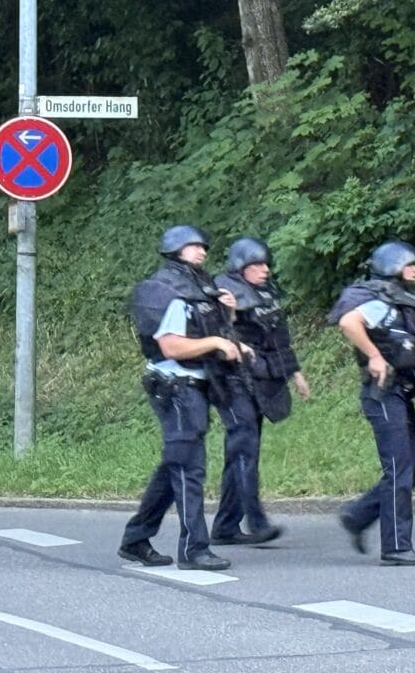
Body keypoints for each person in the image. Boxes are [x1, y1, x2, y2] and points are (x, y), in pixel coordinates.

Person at [121, 225, 250, 571]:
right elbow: (172, 346)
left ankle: (135, 538)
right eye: (194, 246)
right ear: (175, 249)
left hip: (195, 386)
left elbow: (209, 331)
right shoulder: (169, 291)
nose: (202, 250)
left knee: (176, 463)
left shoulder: (199, 288)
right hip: (175, 387)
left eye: (203, 246)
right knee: (189, 467)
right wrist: (217, 343)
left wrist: (228, 315)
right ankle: (194, 549)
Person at [327, 241, 415, 566]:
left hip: (402, 393)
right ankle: (396, 547)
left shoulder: (403, 303)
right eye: (410, 264)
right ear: (393, 266)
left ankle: (357, 516)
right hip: (383, 394)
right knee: (399, 469)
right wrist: (374, 355)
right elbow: (348, 322)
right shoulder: (377, 300)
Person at [208, 237, 310, 546]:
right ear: (241, 267)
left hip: (260, 379)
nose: (265, 269)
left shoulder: (267, 293)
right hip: (231, 380)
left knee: (241, 451)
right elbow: (210, 333)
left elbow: (279, 338)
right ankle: (256, 521)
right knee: (245, 447)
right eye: (257, 265)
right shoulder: (223, 291)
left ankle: (225, 526)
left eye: (266, 264)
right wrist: (230, 320)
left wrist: (295, 373)